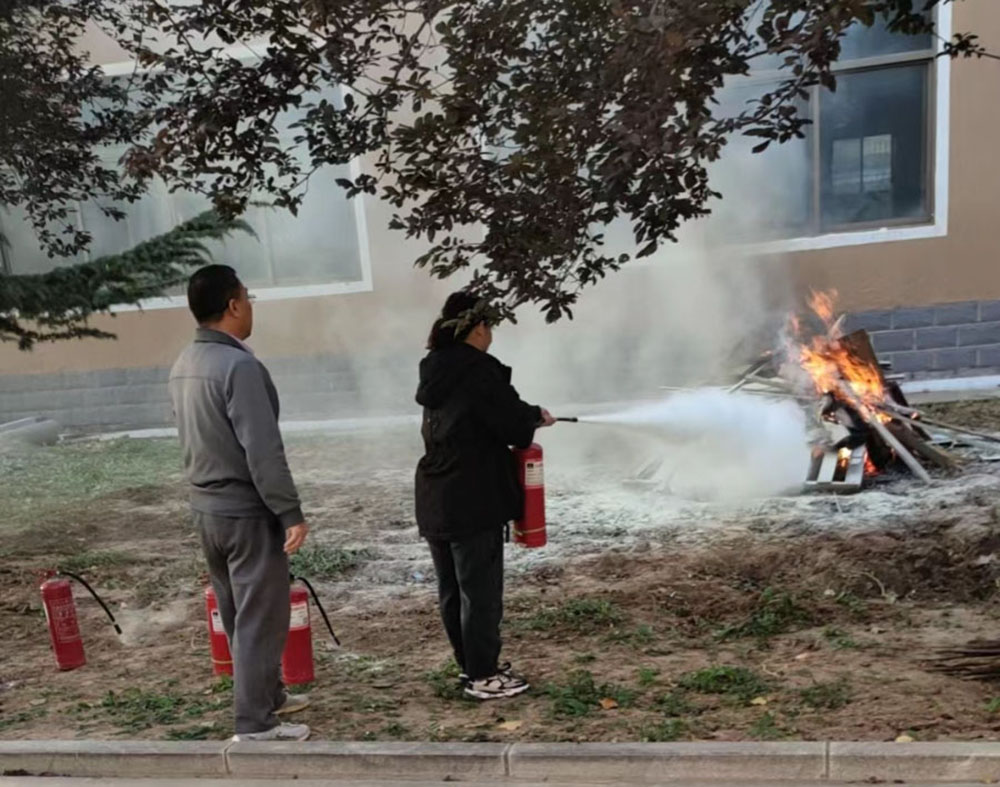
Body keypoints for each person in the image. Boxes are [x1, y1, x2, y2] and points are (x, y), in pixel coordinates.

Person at [168, 264, 311, 741]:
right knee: (259, 618)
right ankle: (255, 724)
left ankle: (269, 696)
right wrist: (289, 512)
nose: (251, 306)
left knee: (236, 613)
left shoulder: (185, 362)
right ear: (233, 305)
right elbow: (263, 450)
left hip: (207, 509)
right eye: (248, 298)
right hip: (246, 512)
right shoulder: (239, 367)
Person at [415, 291, 556, 700]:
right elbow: (509, 422)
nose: (491, 334)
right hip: (473, 496)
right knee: (480, 592)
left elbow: (478, 417)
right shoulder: (477, 369)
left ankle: (471, 666)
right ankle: (483, 676)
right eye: (489, 326)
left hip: (436, 495)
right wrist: (535, 417)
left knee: (452, 590)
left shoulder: (436, 368)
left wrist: (525, 416)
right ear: (477, 328)